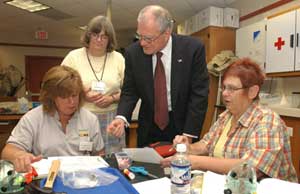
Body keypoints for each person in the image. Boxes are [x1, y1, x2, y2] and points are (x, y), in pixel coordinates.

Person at [161, 58, 298, 183]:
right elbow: (207, 145)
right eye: (224, 87)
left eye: (232, 88)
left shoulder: (267, 121)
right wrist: (188, 147)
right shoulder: (226, 116)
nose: (225, 93)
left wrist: (196, 162)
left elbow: (253, 168)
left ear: (252, 91)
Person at [107, 5, 209, 147]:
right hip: (149, 125)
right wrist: (121, 117)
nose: (142, 43)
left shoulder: (192, 49)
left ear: (166, 33)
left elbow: (199, 95)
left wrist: (189, 134)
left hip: (181, 126)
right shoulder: (133, 53)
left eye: (148, 38)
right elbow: (130, 91)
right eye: (139, 36)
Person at [1, 66, 104, 172]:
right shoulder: (33, 118)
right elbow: (8, 151)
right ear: (51, 96)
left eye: (74, 95)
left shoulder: (90, 119)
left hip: (80, 178)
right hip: (45, 180)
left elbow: (99, 154)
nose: (72, 102)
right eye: (64, 97)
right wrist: (20, 155)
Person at [61, 15, 125, 155]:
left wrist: (112, 98)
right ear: (88, 35)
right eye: (95, 35)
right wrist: (83, 94)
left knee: (112, 159)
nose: (99, 40)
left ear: (109, 40)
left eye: (104, 36)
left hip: (111, 120)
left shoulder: (118, 58)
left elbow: (129, 90)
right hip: (81, 117)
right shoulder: (73, 57)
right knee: (83, 156)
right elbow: (61, 85)